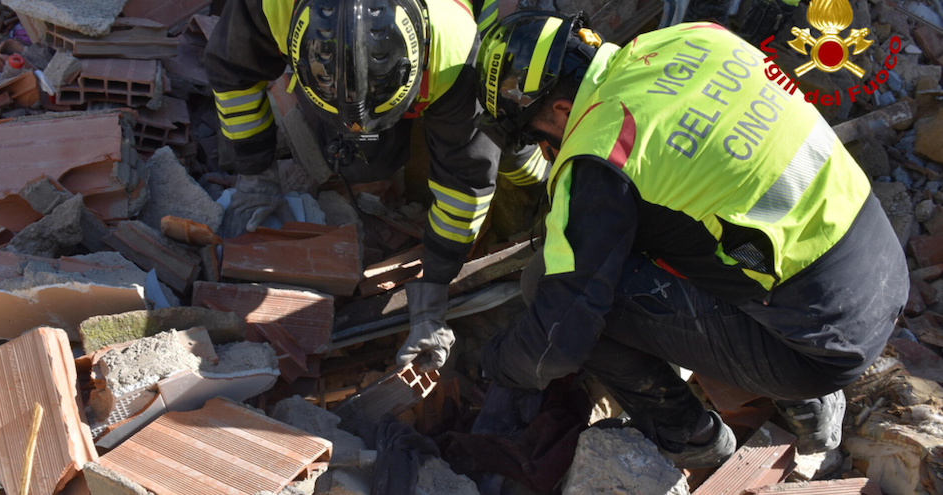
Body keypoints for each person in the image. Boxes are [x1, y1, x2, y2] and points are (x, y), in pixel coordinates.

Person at [474, 12, 908, 468]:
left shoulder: (602, 153)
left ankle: (694, 440)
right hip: (880, 264)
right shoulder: (691, 38)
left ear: (561, 110)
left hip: (818, 348)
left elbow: (558, 338)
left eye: (536, 135)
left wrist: (496, 364)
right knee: (682, 219)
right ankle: (806, 406)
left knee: (548, 282)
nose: (544, 150)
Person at [206, 0, 547, 372]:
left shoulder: (456, 47)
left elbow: (466, 182)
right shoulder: (270, 6)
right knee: (367, 159)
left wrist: (434, 293)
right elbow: (233, 75)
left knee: (509, 135)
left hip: (463, 40)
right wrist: (256, 177)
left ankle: (540, 183)